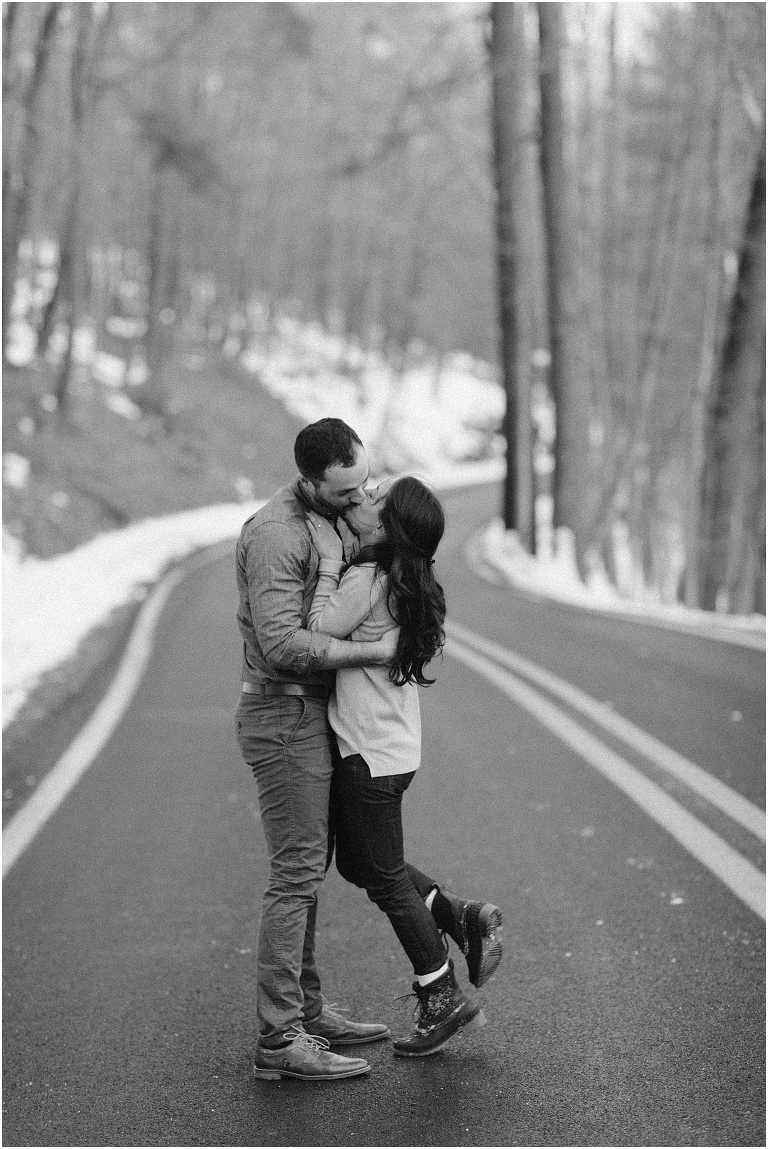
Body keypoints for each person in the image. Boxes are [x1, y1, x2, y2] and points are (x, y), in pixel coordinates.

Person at [306, 474, 503, 1057]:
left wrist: (326, 570)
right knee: (361, 866)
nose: (366, 503)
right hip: (394, 751)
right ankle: (458, 916)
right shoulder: (410, 584)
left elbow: (315, 633)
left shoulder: (367, 580)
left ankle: (441, 995)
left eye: (377, 502)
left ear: (388, 528)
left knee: (384, 877)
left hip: (366, 754)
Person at [236, 419, 394, 1082]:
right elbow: (279, 643)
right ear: (308, 481)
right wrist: (371, 651)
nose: (359, 499)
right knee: (296, 873)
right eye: (345, 493)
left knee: (310, 868)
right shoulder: (278, 533)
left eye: (366, 483)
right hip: (283, 711)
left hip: (314, 709)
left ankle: (306, 1009)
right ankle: (280, 1037)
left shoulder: (335, 512)